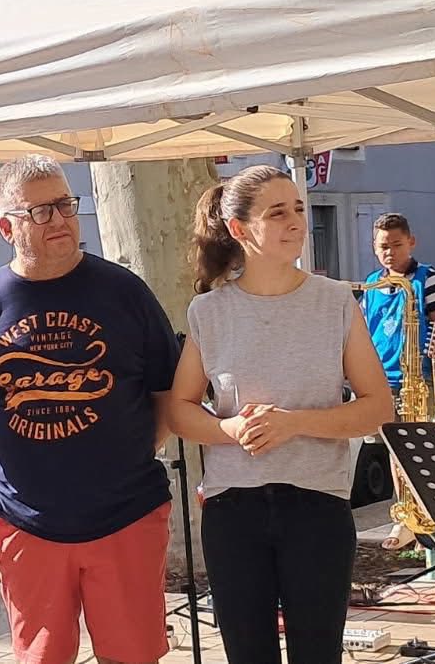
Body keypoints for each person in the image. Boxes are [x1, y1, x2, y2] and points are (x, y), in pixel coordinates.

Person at [0, 154, 179, 664]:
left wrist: (137, 448)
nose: (60, 220)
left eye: (65, 205)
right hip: (25, 522)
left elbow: (166, 392)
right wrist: (4, 471)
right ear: (6, 228)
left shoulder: (126, 293)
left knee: (134, 656)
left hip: (126, 513)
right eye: (40, 211)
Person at [166, 165, 394, 664]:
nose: (295, 222)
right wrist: (228, 428)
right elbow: (180, 411)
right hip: (232, 511)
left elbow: (378, 407)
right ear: (239, 229)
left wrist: (294, 423)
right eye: (277, 213)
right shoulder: (208, 311)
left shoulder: (335, 301)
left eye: (298, 209)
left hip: (317, 507)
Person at [359, 213, 435, 550]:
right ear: (374, 247)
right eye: (383, 246)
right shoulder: (372, 284)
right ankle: (406, 516)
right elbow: (365, 330)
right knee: (394, 453)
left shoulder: (428, 280)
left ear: (411, 243)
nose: (389, 253)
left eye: (396, 245)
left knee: (419, 452)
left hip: (417, 378)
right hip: (381, 380)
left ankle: (429, 522)